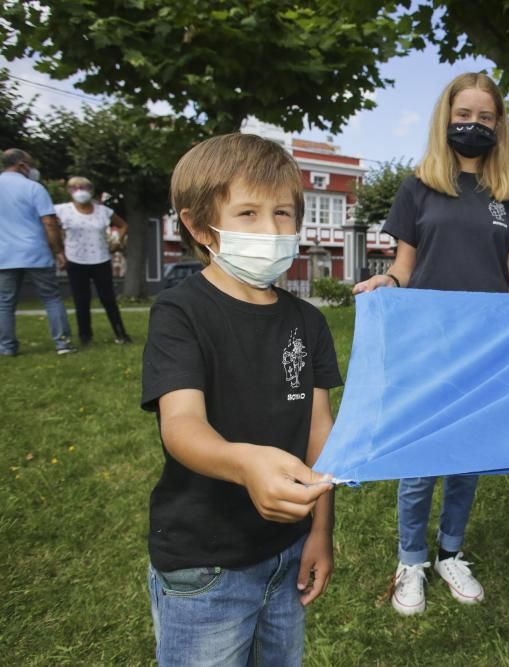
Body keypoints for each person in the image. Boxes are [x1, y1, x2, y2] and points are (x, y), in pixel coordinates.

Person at [141, 133, 340, 665]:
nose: (272, 229)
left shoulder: (309, 321)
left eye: (283, 213)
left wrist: (320, 529)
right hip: (205, 565)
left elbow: (320, 428)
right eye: (248, 213)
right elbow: (181, 425)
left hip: (288, 552)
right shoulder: (180, 312)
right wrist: (245, 462)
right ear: (200, 226)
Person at [353, 72, 509, 616]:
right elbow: (404, 268)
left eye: (485, 117)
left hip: (485, 346)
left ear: (499, 124)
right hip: (428, 344)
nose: (473, 125)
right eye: (465, 115)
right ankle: (410, 559)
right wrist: (384, 283)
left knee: (467, 456)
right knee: (422, 456)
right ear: (446, 117)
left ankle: (450, 553)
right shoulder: (419, 186)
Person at [0, 148, 75, 356]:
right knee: (51, 298)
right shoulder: (33, 188)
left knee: (4, 303)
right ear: (22, 165)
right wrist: (59, 251)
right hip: (35, 252)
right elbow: (49, 222)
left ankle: (6, 347)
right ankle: (63, 343)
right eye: (30, 164)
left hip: (4, 255)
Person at [54, 176, 132, 345]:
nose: (80, 191)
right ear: (69, 191)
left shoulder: (103, 211)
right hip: (76, 260)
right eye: (75, 187)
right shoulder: (62, 210)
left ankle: (121, 333)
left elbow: (123, 225)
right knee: (81, 300)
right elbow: (50, 227)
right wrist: (59, 251)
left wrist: (117, 242)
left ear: (91, 190)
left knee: (108, 299)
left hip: (101, 259)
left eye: (84, 187)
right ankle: (85, 337)